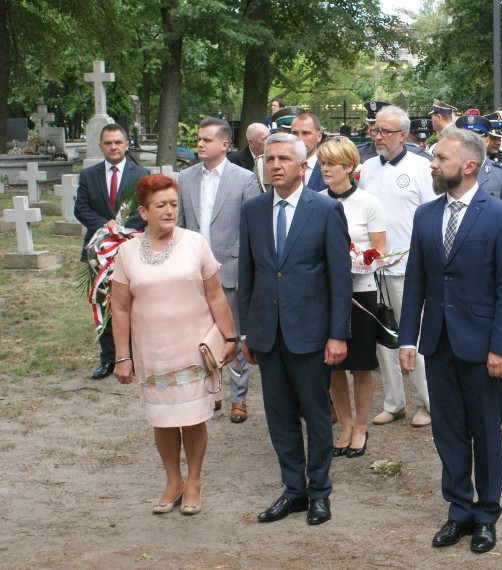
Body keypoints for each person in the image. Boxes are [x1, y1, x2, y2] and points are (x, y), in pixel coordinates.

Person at [399, 126, 502, 554]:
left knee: (486, 432)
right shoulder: (426, 215)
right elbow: (416, 280)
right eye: (434, 158)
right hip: (438, 342)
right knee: (448, 432)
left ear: (469, 166)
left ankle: (487, 515)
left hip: (483, 346)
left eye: (441, 159)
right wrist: (406, 339)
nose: (432, 164)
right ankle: (458, 511)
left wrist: (500, 347)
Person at [239, 132, 352, 525]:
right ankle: (294, 490)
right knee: (279, 416)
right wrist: (247, 333)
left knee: (317, 417)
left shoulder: (324, 210)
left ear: (303, 166)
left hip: (311, 334)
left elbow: (340, 279)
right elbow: (248, 275)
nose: (275, 165)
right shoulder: (252, 211)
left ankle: (320, 491)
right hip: (268, 334)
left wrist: (338, 334)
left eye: (284, 159)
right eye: (270, 159)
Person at [111, 173, 238, 516]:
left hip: (193, 349)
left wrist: (229, 337)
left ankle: (194, 480)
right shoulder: (126, 252)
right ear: (143, 211)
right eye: (160, 205)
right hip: (152, 351)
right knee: (163, 419)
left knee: (193, 417)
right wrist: (122, 356)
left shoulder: (195, 242)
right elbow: (120, 306)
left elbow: (215, 294)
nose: (169, 211)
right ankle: (173, 480)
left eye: (173, 204)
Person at [178, 117, 260, 423]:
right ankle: (211, 391)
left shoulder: (244, 179)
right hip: (194, 273)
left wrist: (245, 273)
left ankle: (239, 397)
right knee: (200, 334)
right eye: (199, 139)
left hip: (230, 270)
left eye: (207, 140)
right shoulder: (185, 178)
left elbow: (251, 230)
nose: (200, 144)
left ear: (224, 144)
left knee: (234, 335)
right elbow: (181, 226)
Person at [358, 105, 435, 428]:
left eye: (385, 132)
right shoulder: (367, 169)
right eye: (375, 130)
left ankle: (429, 402)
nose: (378, 137)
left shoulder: (421, 167)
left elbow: (432, 215)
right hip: (374, 268)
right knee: (383, 338)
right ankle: (394, 401)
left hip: (408, 267)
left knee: (412, 337)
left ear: (402, 135)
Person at [317, 137, 386, 458]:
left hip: (361, 293)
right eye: (322, 163)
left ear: (349, 167)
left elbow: (380, 252)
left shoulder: (369, 203)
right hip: (326, 296)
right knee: (333, 365)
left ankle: (361, 426)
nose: (325, 169)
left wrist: (357, 259)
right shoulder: (314, 201)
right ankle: (344, 425)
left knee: (360, 365)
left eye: (331, 163)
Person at [74, 124, 150, 380]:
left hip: (130, 250)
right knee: (104, 305)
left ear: (127, 144)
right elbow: (81, 208)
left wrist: (124, 232)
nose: (114, 147)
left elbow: (146, 209)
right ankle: (108, 359)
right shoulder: (89, 175)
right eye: (108, 143)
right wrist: (105, 227)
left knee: (133, 306)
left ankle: (134, 357)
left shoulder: (141, 174)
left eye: (118, 142)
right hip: (98, 254)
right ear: (101, 146)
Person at [454, 115, 502, 203]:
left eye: (475, 139)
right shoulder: (447, 170)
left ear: (486, 141)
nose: (469, 144)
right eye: (464, 140)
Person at [358, 101, 432, 163]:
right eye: (372, 124)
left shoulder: (417, 156)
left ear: (402, 135)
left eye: (385, 130)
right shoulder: (360, 155)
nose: (377, 134)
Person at [227, 122, 270, 192]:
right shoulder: (233, 161)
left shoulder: (274, 158)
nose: (270, 141)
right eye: (265, 139)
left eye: (270, 136)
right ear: (251, 142)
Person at [289, 112, 325, 190]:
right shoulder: (283, 165)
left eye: (306, 133)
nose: (300, 139)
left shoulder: (329, 166)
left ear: (319, 136)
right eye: (295, 133)